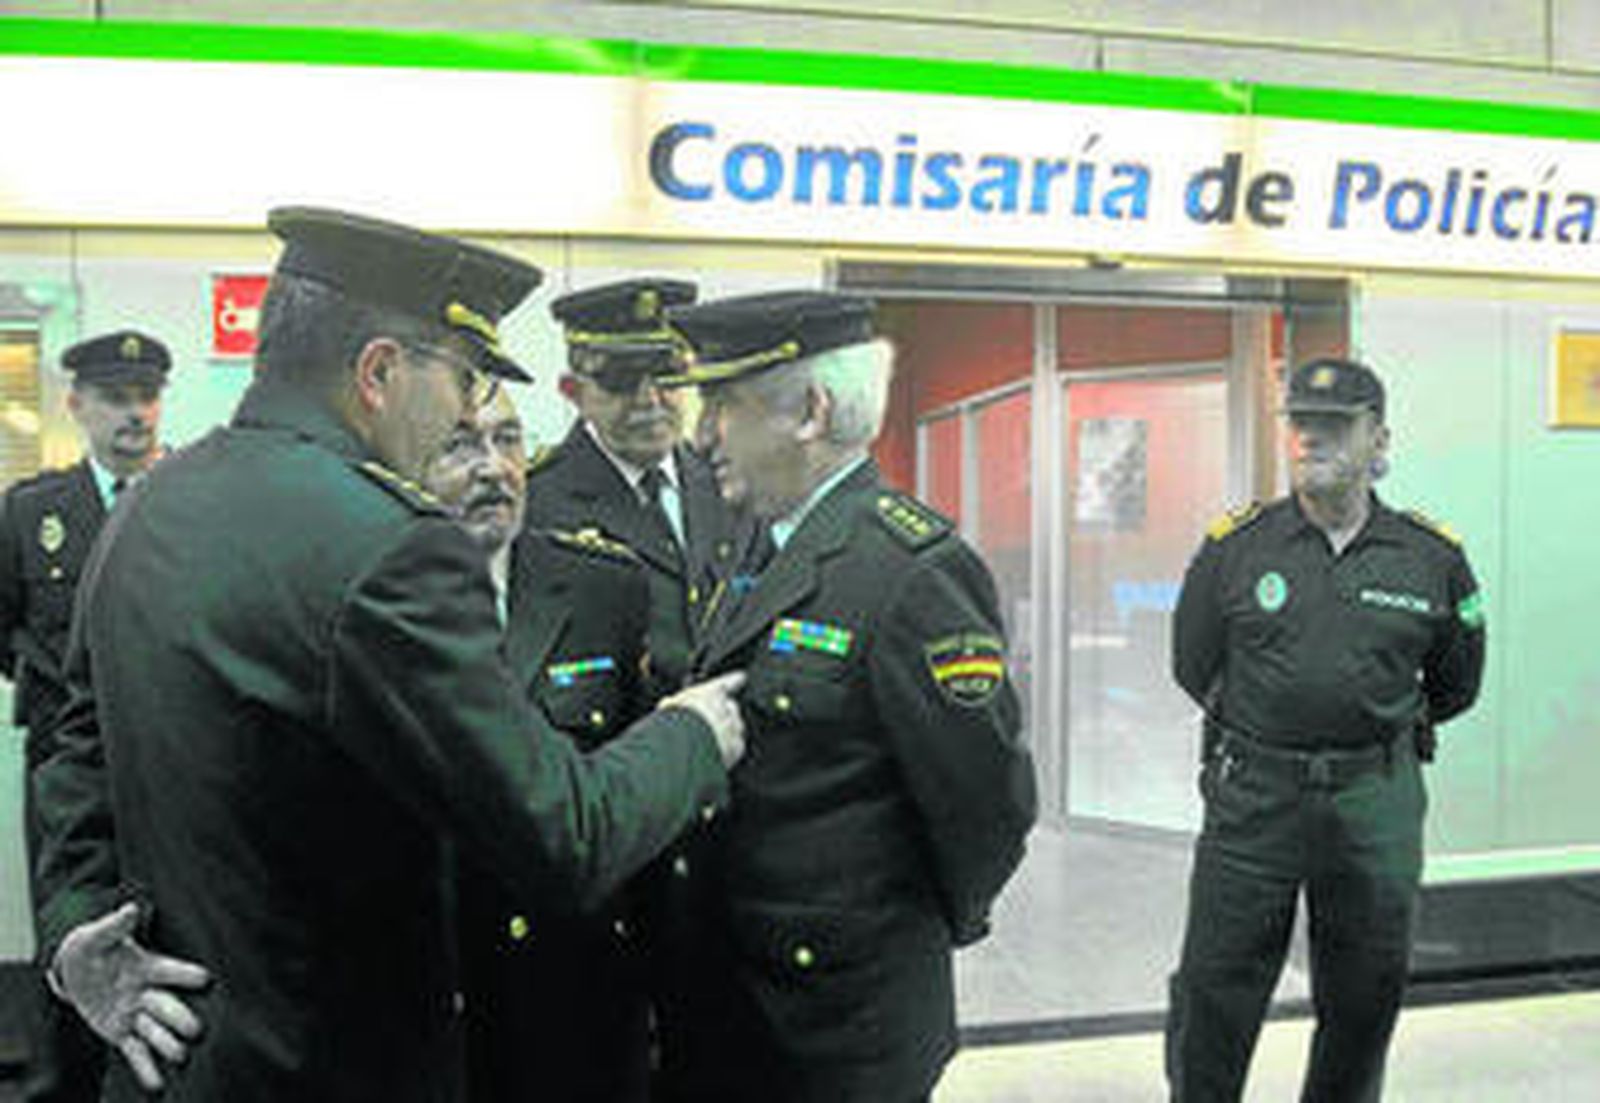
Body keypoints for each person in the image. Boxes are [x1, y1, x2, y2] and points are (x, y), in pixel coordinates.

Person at [29, 206, 747, 1103]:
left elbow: (74, 751)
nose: (466, 412)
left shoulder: (149, 505)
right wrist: (691, 733)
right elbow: (563, 834)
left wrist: (71, 937)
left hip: (178, 1068)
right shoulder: (390, 543)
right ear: (379, 372)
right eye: (461, 381)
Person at [649, 289, 1038, 1102]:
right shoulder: (763, 541)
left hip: (840, 1024)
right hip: (739, 1000)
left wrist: (899, 934)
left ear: (811, 410)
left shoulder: (909, 567)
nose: (700, 431)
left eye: (723, 401)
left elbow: (986, 803)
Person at [1165, 357, 1487, 1102]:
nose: (1311, 438)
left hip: (1373, 800)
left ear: (1379, 439)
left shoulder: (1431, 558)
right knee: (1215, 987)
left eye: (1334, 425)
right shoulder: (1236, 547)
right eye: (1300, 423)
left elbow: (1456, 683)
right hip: (1254, 801)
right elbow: (1192, 662)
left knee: (1364, 994)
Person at [422, 388, 656, 1101]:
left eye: (509, 439)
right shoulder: (365, 599)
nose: (493, 467)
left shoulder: (602, 586)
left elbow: (639, 797)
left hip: (579, 992)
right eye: (460, 444)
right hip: (437, 998)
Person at [0, 329, 169, 1103]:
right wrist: (62, 692)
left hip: (175, 759)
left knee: (171, 933)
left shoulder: (191, 502)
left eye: (146, 395)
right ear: (77, 405)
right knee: (71, 940)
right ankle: (69, 1085)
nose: (135, 413)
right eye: (115, 397)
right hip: (66, 775)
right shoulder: (33, 512)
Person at [525, 278, 750, 695]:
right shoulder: (534, 504)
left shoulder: (728, 484)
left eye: (667, 375)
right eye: (622, 380)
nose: (648, 399)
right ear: (572, 391)